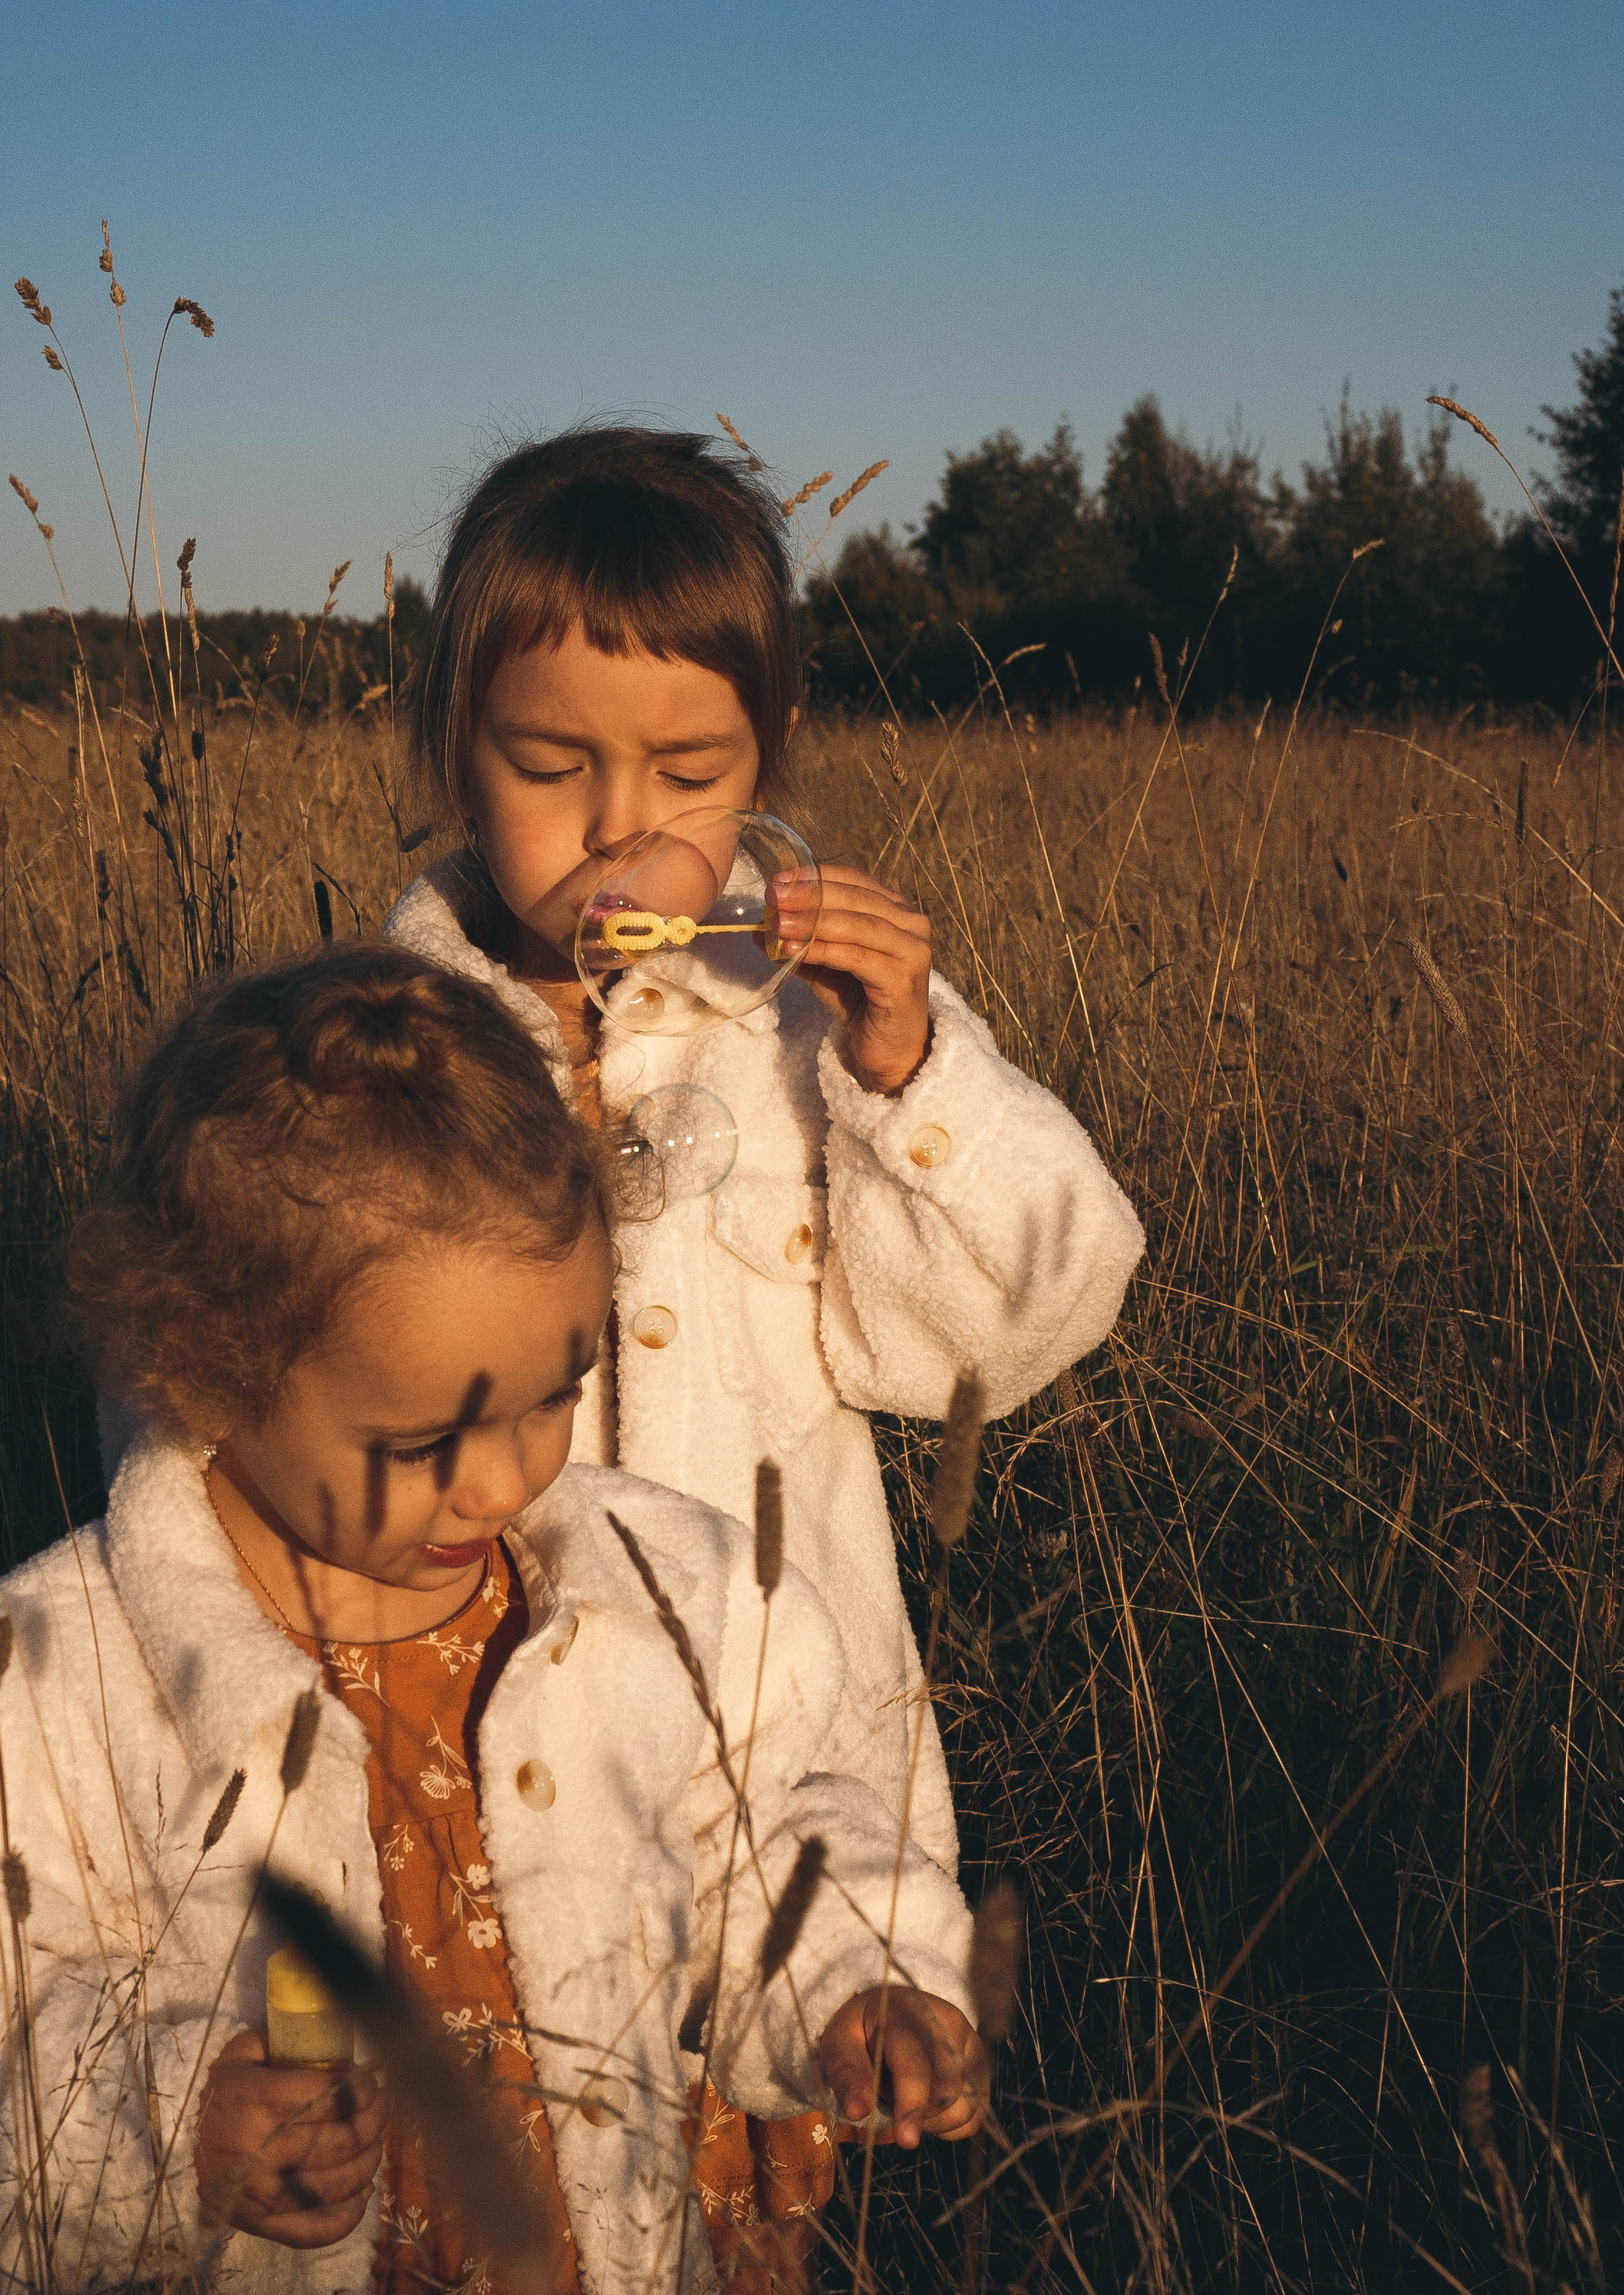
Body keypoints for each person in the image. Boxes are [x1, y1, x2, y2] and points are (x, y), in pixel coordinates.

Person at [0, 942, 983, 2295]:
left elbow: (777, 1826)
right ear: (202, 1373)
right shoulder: (38, 1691)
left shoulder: (659, 1592)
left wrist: (853, 1983)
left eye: (555, 1386)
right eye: (427, 1436)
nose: (506, 1481)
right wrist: (157, 2117)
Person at [382, 424, 1144, 1882]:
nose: (617, 826)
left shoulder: (819, 1029)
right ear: (457, 755)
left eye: (684, 772)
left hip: (794, 1800)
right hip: (483, 1774)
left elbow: (1013, 1322)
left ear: (764, 761)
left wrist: (906, 1074)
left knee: (781, 2094)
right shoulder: (369, 1055)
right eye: (550, 765)